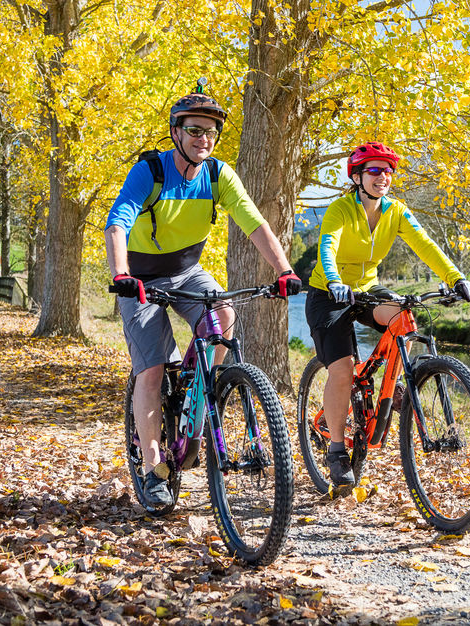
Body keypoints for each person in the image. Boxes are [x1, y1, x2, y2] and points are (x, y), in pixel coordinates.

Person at [104, 80, 302, 510]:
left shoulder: (217, 174)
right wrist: (120, 273)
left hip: (187, 271)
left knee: (224, 315)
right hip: (140, 277)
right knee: (153, 371)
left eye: (210, 132)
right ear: (176, 132)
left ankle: (198, 384)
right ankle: (154, 468)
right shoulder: (151, 171)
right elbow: (118, 221)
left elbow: (254, 223)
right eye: (195, 130)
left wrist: (283, 270)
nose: (203, 139)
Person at [305, 140, 470, 493]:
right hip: (329, 293)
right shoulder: (340, 209)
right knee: (342, 369)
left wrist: (455, 278)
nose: (382, 177)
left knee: (404, 316)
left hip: (368, 290)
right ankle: (336, 450)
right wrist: (335, 280)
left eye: (387, 171)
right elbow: (327, 245)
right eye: (374, 170)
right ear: (357, 176)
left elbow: (425, 244)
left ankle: (396, 381)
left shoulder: (396, 211)